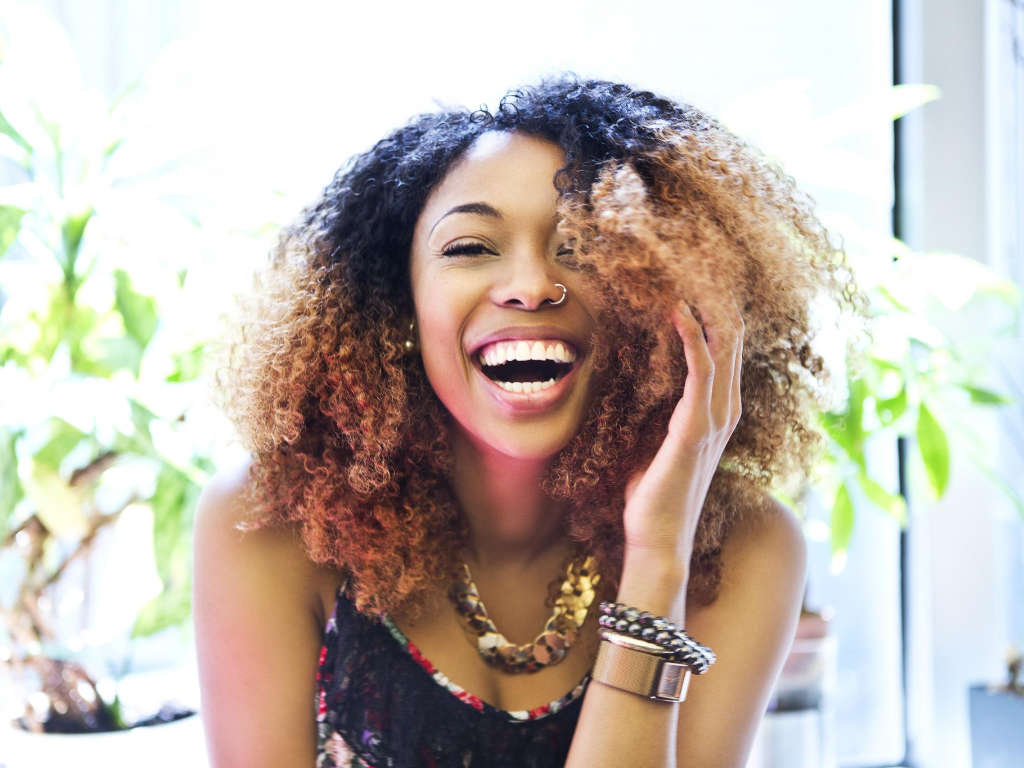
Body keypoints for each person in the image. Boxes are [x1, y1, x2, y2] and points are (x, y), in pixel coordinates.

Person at [192, 75, 868, 767]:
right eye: (470, 247)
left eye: (581, 247)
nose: (532, 286)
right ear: (398, 305)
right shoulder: (269, 525)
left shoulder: (741, 550)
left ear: (659, 299)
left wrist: (659, 556)